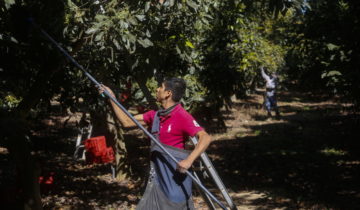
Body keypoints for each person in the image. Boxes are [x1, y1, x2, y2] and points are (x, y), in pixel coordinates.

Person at [99, 77, 212, 210]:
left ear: (168, 93)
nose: (157, 89)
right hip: (157, 180)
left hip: (173, 182)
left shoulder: (181, 115)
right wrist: (112, 98)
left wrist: (189, 160)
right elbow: (126, 121)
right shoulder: (155, 116)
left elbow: (205, 137)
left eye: (160, 87)